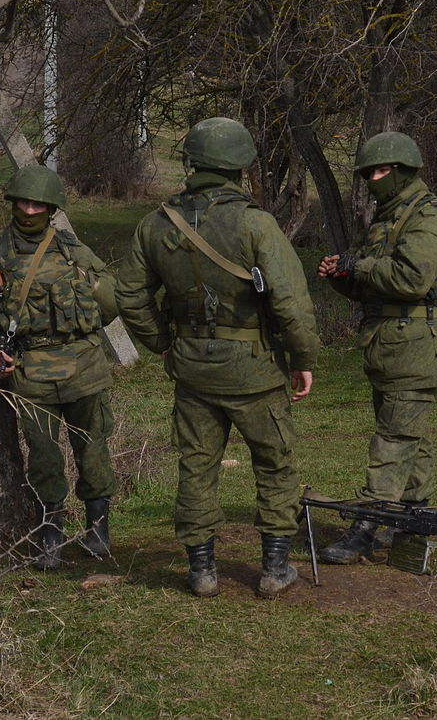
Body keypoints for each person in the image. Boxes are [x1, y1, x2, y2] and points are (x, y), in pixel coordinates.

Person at [115, 117, 319, 599]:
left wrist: (163, 344)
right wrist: (302, 357)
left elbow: (129, 296)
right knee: (275, 465)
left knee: (197, 467)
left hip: (192, 372)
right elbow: (290, 300)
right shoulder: (255, 223)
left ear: (192, 162)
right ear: (241, 166)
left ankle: (201, 571)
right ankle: (273, 568)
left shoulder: (156, 224)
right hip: (254, 371)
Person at [0, 164, 120, 570]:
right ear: (13, 202)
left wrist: (90, 289)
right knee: (44, 456)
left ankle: (98, 529)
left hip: (83, 366)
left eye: (38, 203)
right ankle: (49, 534)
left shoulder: (74, 251)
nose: (29, 210)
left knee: (93, 448)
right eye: (23, 201)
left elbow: (112, 300)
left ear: (51, 208)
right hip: (30, 370)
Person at [315, 131, 437, 564]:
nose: (372, 179)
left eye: (379, 171)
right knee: (413, 439)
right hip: (387, 346)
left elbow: (411, 280)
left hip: (416, 348)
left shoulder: (430, 218)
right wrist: (341, 276)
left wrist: (356, 263)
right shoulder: (386, 219)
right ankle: (413, 521)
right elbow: (371, 289)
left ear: (402, 170)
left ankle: (364, 529)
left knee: (394, 439)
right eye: (368, 172)